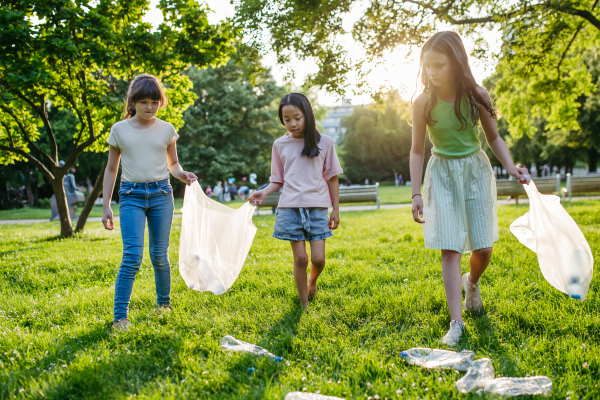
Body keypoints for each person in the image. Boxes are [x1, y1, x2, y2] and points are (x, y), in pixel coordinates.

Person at [409, 32, 529, 346]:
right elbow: (417, 151)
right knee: (450, 248)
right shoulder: (423, 101)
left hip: (474, 170)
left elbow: (494, 138)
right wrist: (416, 193)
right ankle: (456, 323)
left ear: (456, 61)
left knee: (483, 248)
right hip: (443, 173)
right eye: (427, 66)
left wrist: (510, 165)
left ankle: (471, 283)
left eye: (439, 65)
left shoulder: (477, 94)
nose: (432, 72)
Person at [102, 74, 197, 332]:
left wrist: (183, 175)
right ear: (133, 102)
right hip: (131, 196)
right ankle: (120, 317)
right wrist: (107, 204)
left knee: (159, 254)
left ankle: (163, 305)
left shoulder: (167, 129)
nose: (149, 107)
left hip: (161, 195)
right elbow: (111, 169)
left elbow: (173, 165)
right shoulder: (118, 129)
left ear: (160, 102)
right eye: (143, 101)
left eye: (154, 101)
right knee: (132, 256)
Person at [249, 93, 343, 309]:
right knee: (300, 258)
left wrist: (335, 209)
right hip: (290, 208)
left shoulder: (325, 143)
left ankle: (312, 283)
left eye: (297, 117)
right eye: (286, 118)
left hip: (318, 208)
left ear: (308, 115)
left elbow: (332, 177)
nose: (292, 123)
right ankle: (303, 304)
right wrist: (264, 192)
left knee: (319, 259)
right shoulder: (279, 144)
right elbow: (278, 179)